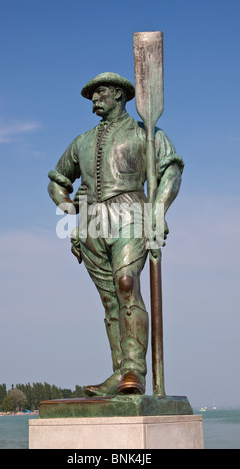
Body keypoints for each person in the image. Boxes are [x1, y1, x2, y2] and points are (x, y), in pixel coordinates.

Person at [48, 72, 184, 396]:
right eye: (92, 95)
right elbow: (56, 179)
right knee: (110, 301)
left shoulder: (145, 133)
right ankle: (120, 374)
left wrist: (158, 209)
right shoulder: (81, 141)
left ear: (120, 95)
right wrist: (65, 204)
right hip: (92, 225)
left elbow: (171, 170)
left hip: (131, 214)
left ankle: (135, 370)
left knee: (126, 284)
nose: (95, 99)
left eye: (101, 92)